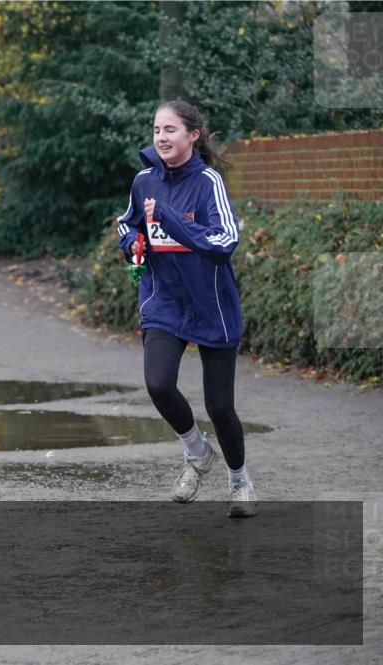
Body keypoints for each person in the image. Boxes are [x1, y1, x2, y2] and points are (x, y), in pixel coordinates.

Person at [116, 100, 256, 518]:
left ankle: (240, 481)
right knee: (158, 383)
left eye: (170, 130)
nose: (161, 137)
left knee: (220, 406)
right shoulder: (144, 181)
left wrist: (174, 221)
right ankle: (197, 451)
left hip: (211, 305)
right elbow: (128, 223)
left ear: (193, 135)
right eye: (157, 129)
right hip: (164, 301)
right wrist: (132, 243)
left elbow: (224, 241)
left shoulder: (209, 181)